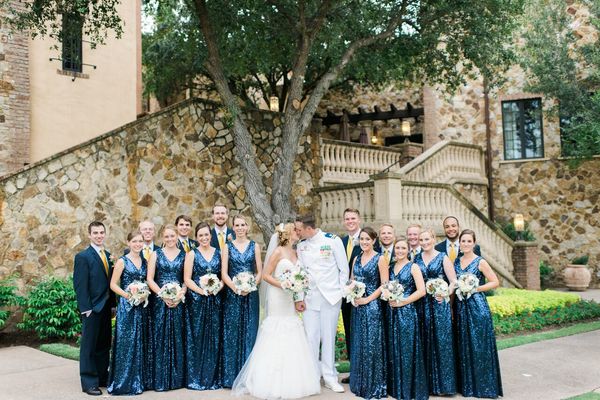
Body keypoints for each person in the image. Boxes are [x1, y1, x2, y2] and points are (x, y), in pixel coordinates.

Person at [232, 223, 321, 399]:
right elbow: (265, 275)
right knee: (277, 330)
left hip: (290, 297)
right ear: (287, 234)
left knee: (292, 330)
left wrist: (298, 297)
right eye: (294, 231)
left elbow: (297, 278)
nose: (298, 232)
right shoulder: (278, 252)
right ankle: (268, 380)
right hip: (277, 296)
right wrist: (283, 284)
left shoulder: (295, 252)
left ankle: (293, 379)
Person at [295, 214, 349, 393]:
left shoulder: (332, 240)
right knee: (311, 338)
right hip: (311, 298)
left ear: (308, 228)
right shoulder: (301, 246)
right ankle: (312, 375)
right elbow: (300, 274)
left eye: (299, 229)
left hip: (330, 298)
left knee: (328, 338)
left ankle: (330, 376)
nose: (297, 232)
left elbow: (343, 269)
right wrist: (299, 297)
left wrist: (340, 292)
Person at [454, 229, 503, 398]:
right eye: (463, 241)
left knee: (479, 346)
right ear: (459, 243)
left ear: (474, 243)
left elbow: (495, 281)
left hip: (477, 307)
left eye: (469, 241)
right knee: (465, 345)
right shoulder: (456, 261)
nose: (465, 244)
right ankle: (468, 386)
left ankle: (485, 387)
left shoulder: (480, 262)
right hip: (461, 308)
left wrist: (475, 288)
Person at [108, 231, 153, 395]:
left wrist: (143, 294)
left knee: (141, 341)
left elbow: (147, 282)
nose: (138, 244)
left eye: (140, 241)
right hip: (128, 307)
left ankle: (139, 380)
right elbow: (113, 284)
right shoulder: (122, 261)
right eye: (134, 241)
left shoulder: (145, 261)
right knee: (127, 343)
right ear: (128, 243)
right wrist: (128, 295)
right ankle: (124, 381)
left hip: (142, 306)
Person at [73, 221, 115, 396]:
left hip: (106, 308)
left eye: (101, 232)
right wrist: (85, 308)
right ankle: (89, 381)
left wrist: (113, 305)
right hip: (91, 308)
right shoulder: (83, 257)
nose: (99, 235)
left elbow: (110, 283)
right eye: (95, 233)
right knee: (89, 346)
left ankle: (102, 376)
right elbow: (80, 284)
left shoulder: (108, 255)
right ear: (89, 235)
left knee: (104, 345)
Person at [221, 215, 263, 388]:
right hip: (232, 294)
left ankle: (249, 378)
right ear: (233, 228)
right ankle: (231, 377)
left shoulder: (255, 246)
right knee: (232, 333)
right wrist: (236, 288)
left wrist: (250, 285)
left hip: (250, 294)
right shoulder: (227, 247)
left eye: (242, 225)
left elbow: (259, 272)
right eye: (236, 225)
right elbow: (223, 273)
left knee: (249, 332)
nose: (239, 228)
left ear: (247, 227)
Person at [415, 228, 457, 396]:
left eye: (427, 239)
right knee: (425, 341)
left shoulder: (443, 257)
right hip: (422, 305)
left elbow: (453, 281)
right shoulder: (416, 259)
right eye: (421, 240)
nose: (424, 242)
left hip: (439, 305)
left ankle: (444, 385)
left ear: (433, 239)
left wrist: (445, 292)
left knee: (441, 342)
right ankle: (428, 385)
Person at [184, 222, 224, 390]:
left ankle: (213, 377)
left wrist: (217, 288)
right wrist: (201, 291)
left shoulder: (220, 253)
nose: (204, 238)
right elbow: (187, 278)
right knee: (198, 337)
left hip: (215, 300)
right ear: (196, 237)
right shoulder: (192, 254)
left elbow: (223, 276)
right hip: (197, 301)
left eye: (206, 235)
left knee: (215, 337)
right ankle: (196, 377)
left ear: (210, 235)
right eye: (200, 235)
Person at [385, 238, 428, 400]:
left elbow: (422, 291)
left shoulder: (413, 266)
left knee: (407, 349)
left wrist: (403, 301)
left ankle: (410, 388)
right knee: (394, 347)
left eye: (403, 248)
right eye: (397, 248)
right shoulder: (391, 267)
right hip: (392, 313)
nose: (400, 251)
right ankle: (396, 387)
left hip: (407, 312)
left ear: (408, 249)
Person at [147, 224, 187, 391]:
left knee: (178, 337)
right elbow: (150, 279)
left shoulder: (185, 255)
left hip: (178, 301)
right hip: (160, 302)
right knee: (160, 337)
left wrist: (180, 294)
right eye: (167, 237)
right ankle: (160, 378)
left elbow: (186, 279)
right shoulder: (156, 254)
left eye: (173, 236)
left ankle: (177, 379)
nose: (170, 239)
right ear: (162, 238)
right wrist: (163, 295)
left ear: (177, 236)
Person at [349, 227, 388, 399]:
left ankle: (373, 384)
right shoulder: (356, 258)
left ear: (374, 241)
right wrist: (352, 294)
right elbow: (352, 280)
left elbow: (384, 285)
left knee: (372, 345)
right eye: (362, 239)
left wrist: (367, 299)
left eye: (367, 239)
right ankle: (360, 383)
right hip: (357, 306)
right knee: (359, 343)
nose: (364, 242)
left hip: (372, 306)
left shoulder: (380, 259)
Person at [339, 207, 362, 382]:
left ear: (359, 219)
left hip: (362, 296)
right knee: (349, 330)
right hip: (345, 296)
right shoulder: (341, 241)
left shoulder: (367, 238)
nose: (350, 221)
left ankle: (365, 371)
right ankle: (354, 371)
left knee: (363, 332)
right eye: (347, 219)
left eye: (353, 218)